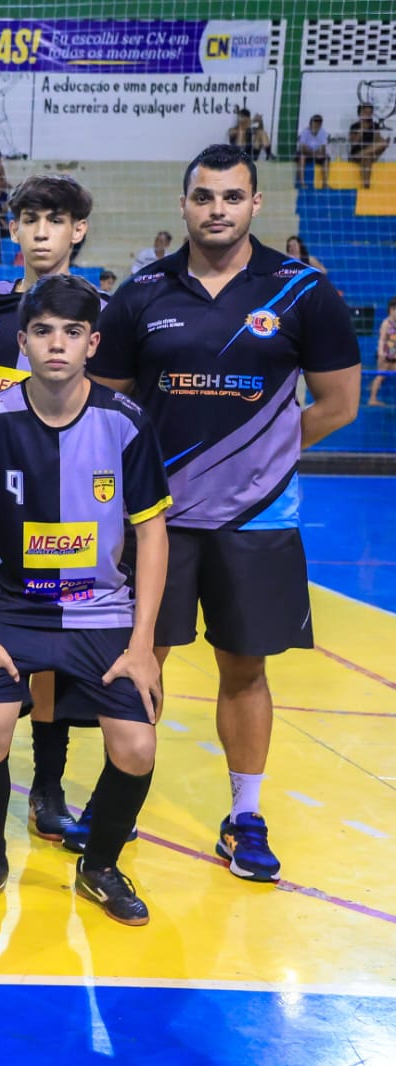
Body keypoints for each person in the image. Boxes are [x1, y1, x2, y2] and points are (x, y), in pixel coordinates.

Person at [91, 144, 361, 882]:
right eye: (204, 196)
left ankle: (245, 817)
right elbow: (105, 407)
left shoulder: (303, 291)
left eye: (232, 197)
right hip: (157, 522)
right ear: (183, 204)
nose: (217, 210)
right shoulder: (142, 293)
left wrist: (261, 456)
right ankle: (119, 809)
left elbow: (339, 403)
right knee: (141, 660)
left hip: (257, 520)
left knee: (245, 670)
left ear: (255, 204)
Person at [0, 274, 170, 926]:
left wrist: (142, 646)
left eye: (72, 332)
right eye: (43, 331)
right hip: (12, 607)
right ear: (23, 341)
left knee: (137, 747)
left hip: (100, 609)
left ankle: (99, 866)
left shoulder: (124, 421)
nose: (57, 344)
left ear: (92, 343)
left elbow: (153, 532)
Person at [0, 172, 102, 842]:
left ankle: (48, 786)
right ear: (12, 229)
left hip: (64, 511)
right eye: (29, 219)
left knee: (52, 648)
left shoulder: (100, 315)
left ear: (77, 230)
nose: (41, 232)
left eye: (55, 220)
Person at [349, 103, 389, 189]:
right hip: (356, 155)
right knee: (367, 156)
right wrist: (362, 129)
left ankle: (366, 186)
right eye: (366, 112)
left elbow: (378, 141)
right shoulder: (354, 126)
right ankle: (366, 186)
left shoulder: (375, 125)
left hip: (370, 154)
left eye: (370, 112)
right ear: (360, 113)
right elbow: (353, 143)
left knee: (382, 143)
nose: (368, 114)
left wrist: (383, 141)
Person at [371, 296, 396, 406]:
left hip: (394, 355)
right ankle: (372, 399)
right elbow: (381, 339)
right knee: (380, 376)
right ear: (391, 310)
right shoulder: (386, 323)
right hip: (385, 356)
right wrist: (381, 353)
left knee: (382, 376)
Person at [295, 114, 329, 189]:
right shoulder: (305, 132)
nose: (315, 126)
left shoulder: (322, 133)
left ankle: (325, 183)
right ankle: (302, 183)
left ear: (320, 125)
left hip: (316, 154)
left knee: (326, 158)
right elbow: (302, 148)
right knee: (302, 157)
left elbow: (323, 149)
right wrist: (314, 153)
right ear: (310, 124)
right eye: (314, 124)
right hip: (306, 153)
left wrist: (321, 153)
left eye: (318, 125)